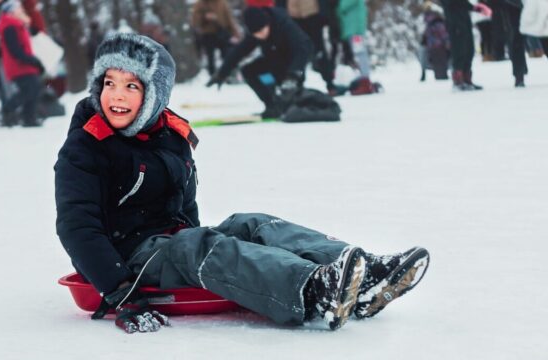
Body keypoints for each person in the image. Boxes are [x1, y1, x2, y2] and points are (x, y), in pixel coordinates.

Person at [54, 33, 431, 334]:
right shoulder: (86, 147)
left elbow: (182, 203)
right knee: (196, 244)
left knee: (248, 224)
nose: (116, 95)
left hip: (167, 241)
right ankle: (313, 290)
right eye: (109, 82)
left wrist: (199, 248)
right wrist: (120, 291)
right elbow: (77, 225)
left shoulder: (168, 133)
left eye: (131, 86)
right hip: (123, 258)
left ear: (154, 95)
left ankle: (360, 274)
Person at [206, 6, 313, 119]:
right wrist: (222, 73)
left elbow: (303, 48)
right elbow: (239, 52)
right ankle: (272, 105)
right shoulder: (257, 30)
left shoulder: (285, 25)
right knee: (249, 70)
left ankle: (292, 104)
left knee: (289, 94)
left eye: (262, 31)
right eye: (256, 34)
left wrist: (293, 75)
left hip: (293, 64)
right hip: (272, 61)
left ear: (267, 23)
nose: (260, 35)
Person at [0, 0, 44, 127]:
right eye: (18, 8)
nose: (21, 10)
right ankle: (8, 110)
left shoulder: (17, 24)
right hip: (18, 65)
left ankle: (29, 118)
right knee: (28, 90)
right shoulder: (9, 25)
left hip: (24, 64)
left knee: (32, 89)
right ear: (11, 11)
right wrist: (31, 60)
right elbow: (15, 49)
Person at [440, 0, 492, 91]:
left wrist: (476, 8)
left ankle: (467, 80)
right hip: (455, 23)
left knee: (469, 50)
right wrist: (474, 7)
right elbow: (452, 3)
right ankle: (458, 81)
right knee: (459, 51)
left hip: (464, 21)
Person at [191, 0, 241, 76]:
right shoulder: (200, 3)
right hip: (207, 35)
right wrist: (205, 17)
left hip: (222, 33)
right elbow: (195, 21)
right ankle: (212, 75)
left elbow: (229, 19)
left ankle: (227, 75)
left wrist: (235, 33)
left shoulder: (222, 3)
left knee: (226, 55)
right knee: (210, 57)